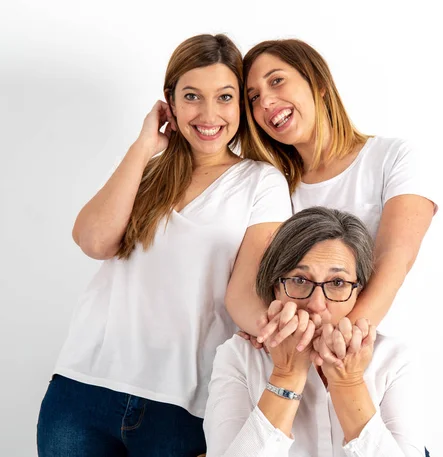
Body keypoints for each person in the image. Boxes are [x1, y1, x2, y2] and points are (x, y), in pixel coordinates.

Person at [36, 34, 291, 457]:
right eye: (192, 96)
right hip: (83, 389)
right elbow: (93, 240)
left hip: (182, 405)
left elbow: (243, 293)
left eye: (225, 97)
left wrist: (284, 331)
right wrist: (143, 146)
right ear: (169, 103)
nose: (209, 114)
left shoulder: (261, 182)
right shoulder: (146, 172)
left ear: (240, 106)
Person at [234, 39, 437, 350]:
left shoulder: (392, 157)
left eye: (277, 81)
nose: (265, 102)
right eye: (253, 98)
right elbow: (258, 286)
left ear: (318, 83)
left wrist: (338, 340)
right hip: (298, 368)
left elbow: (395, 259)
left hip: (372, 357)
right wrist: (272, 329)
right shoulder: (273, 186)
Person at [205, 207, 426, 456]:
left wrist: (348, 382)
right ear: (275, 287)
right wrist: (286, 375)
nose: (317, 304)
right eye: (300, 280)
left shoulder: (393, 360)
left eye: (337, 283)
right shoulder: (238, 357)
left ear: (358, 292)